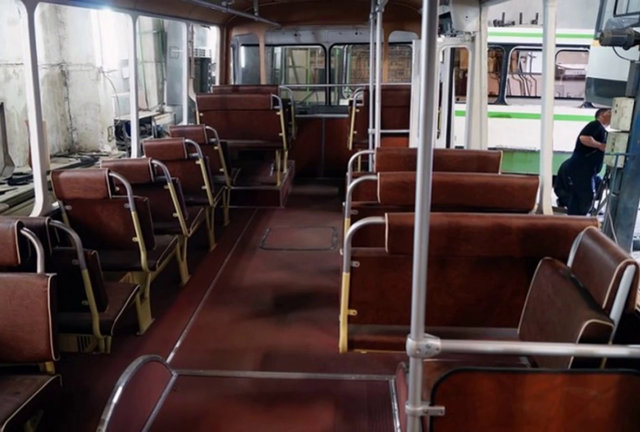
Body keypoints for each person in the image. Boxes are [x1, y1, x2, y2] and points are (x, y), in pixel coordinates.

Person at [562, 108, 611, 215]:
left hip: (586, 169)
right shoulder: (595, 125)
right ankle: (579, 219)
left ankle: (574, 219)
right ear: (602, 115)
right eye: (610, 113)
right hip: (582, 169)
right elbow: (584, 138)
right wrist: (600, 146)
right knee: (586, 196)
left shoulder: (602, 130)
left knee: (578, 197)